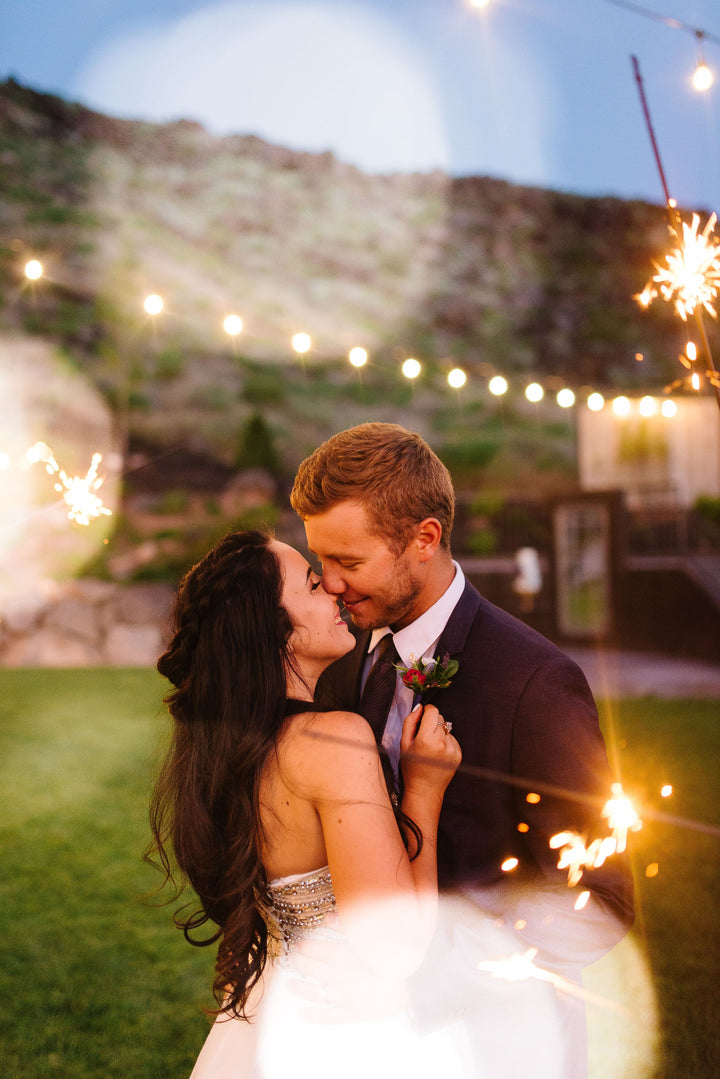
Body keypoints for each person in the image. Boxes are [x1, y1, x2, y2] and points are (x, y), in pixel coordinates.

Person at [290, 422, 636, 1079]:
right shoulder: (347, 660)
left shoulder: (533, 683)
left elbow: (602, 900)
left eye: (349, 562)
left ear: (423, 539)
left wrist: (426, 987)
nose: (330, 584)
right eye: (319, 561)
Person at [147, 529, 471, 1079]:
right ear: (273, 628)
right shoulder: (332, 742)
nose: (334, 591)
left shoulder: (227, 748)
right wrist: (424, 789)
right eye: (312, 584)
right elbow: (395, 945)